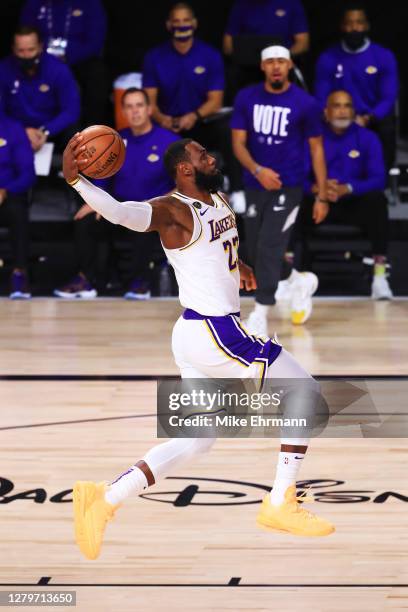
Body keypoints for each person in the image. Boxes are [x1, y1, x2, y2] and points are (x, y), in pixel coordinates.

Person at [63, 135, 334, 560]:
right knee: (307, 393)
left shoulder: (219, 199)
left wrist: (238, 266)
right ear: (184, 170)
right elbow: (121, 213)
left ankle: (104, 498)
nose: (211, 156)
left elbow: (217, 248)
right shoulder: (173, 210)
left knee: (197, 438)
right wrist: (77, 180)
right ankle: (280, 500)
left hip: (195, 333)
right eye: (202, 155)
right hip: (214, 332)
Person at [231, 45, 328, 333]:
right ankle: (297, 280)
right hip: (254, 183)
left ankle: (260, 312)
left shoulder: (305, 103)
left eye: (281, 62)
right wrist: (258, 171)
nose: (276, 66)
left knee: (270, 244)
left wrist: (322, 195)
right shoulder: (246, 97)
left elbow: (317, 150)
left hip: (289, 186)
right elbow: (238, 144)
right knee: (250, 249)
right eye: (270, 61)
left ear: (289, 66)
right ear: (262, 66)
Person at [54, 88, 179, 299]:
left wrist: (164, 203)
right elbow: (102, 180)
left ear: (149, 109)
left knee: (146, 224)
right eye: (129, 106)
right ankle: (87, 280)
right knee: (85, 221)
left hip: (153, 209)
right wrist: (95, 202)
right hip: (120, 207)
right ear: (123, 111)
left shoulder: (170, 141)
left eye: (139, 105)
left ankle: (142, 282)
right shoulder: (114, 140)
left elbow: (184, 184)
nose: (135, 111)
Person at [301, 90, 392, 299]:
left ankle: (379, 276)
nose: (342, 111)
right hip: (319, 203)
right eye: (337, 105)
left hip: (353, 203)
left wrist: (348, 188)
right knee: (293, 201)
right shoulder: (314, 138)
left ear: (354, 111)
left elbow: (379, 178)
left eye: (347, 106)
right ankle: (289, 276)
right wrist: (318, 188)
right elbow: (299, 177)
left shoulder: (368, 138)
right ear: (326, 111)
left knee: (377, 201)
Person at [142, 2, 242, 193]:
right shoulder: (154, 57)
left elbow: (216, 101)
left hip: (201, 121)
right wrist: (163, 119)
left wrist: (194, 116)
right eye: (176, 21)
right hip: (168, 124)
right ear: (168, 25)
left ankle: (237, 189)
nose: (181, 25)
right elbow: (150, 102)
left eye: (186, 20)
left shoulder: (210, 55)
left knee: (229, 128)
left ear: (195, 23)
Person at [314, 3, 399, 169]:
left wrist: (367, 118)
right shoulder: (328, 57)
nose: (354, 28)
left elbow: (388, 97)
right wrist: (334, 116)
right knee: (314, 122)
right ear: (342, 26)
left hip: (371, 117)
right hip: (337, 115)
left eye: (359, 22)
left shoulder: (383, 56)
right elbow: (321, 96)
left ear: (366, 26)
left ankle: (384, 180)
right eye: (349, 23)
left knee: (386, 127)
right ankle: (322, 179)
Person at [20, 0, 108, 126]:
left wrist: (67, 56)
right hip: (41, 60)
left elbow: (95, 43)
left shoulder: (90, 4)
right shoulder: (34, 4)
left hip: (79, 60)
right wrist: (47, 57)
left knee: (97, 74)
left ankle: (92, 132)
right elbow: (25, 38)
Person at [0, 26, 80, 152]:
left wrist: (45, 131)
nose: (26, 56)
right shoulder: (3, 70)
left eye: (31, 50)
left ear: (40, 47)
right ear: (13, 49)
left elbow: (71, 110)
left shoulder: (58, 69)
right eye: (21, 51)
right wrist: (21, 131)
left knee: (74, 133)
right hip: (14, 132)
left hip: (50, 132)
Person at [0, 113, 36, 299]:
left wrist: (6, 190)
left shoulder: (13, 128)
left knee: (17, 210)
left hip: (8, 196)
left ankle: (19, 273)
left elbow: (28, 173)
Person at [223, 0, 309, 58]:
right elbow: (228, 45)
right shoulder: (241, 4)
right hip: (247, 68)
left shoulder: (291, 2)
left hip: (283, 69)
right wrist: (243, 59)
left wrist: (281, 59)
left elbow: (303, 43)